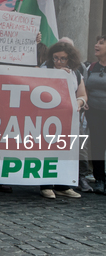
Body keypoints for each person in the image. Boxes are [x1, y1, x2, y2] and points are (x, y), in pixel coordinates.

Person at [39, 42, 85, 198]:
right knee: (48, 151)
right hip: (48, 118)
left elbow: (82, 95)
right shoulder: (45, 70)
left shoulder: (76, 73)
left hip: (69, 119)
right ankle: (46, 185)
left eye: (63, 59)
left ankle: (62, 185)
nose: (58, 62)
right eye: (55, 58)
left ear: (69, 59)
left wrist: (78, 103)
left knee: (66, 152)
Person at [85, 34, 106, 194]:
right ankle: (99, 179)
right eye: (96, 42)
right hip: (95, 113)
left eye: (101, 43)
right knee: (98, 145)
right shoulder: (91, 67)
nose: (96, 45)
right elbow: (84, 87)